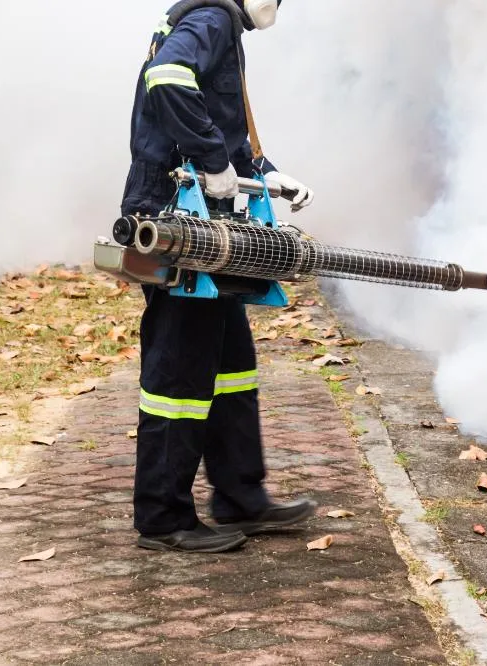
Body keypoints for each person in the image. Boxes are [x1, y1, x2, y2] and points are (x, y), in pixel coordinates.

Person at [120, 0, 317, 553]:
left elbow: (224, 129)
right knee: (180, 370)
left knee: (232, 366)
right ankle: (162, 518)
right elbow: (167, 78)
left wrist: (266, 173)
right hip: (178, 218)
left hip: (212, 223)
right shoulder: (211, 21)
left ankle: (239, 497)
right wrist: (211, 159)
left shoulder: (222, 29)